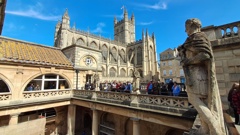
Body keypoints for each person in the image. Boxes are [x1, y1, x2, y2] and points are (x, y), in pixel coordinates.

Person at [177, 18, 225, 134]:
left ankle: (215, 128)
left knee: (194, 99)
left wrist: (188, 61)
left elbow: (205, 55)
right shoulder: (193, 39)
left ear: (192, 26)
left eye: (186, 27)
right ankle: (205, 128)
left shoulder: (197, 37)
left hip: (198, 76)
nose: (185, 30)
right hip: (195, 75)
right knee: (202, 102)